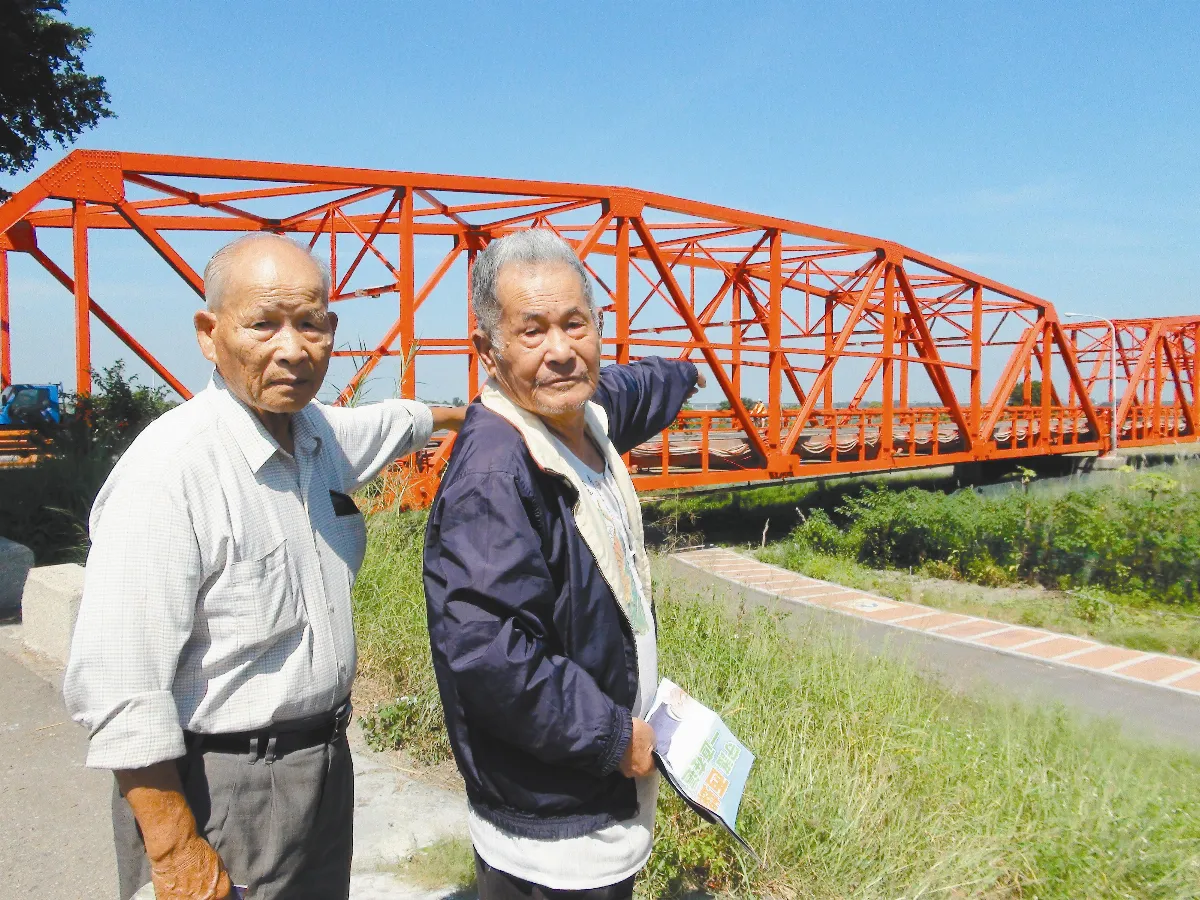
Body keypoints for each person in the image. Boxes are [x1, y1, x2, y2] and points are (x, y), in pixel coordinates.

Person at [64, 234, 465, 900]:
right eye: (263, 324)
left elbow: (398, 421)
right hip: (219, 787)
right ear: (209, 333)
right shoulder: (170, 473)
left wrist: (485, 417)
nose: (291, 348)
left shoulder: (318, 436)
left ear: (330, 331)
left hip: (325, 767)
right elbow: (118, 690)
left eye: (310, 324)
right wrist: (175, 849)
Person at [423, 229, 703, 899]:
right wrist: (612, 737)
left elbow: (635, 388)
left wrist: (689, 371)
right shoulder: (496, 472)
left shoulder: (587, 419)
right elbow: (489, 653)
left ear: (597, 329)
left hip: (586, 802)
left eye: (575, 324)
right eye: (532, 331)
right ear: (486, 350)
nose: (560, 351)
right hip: (554, 832)